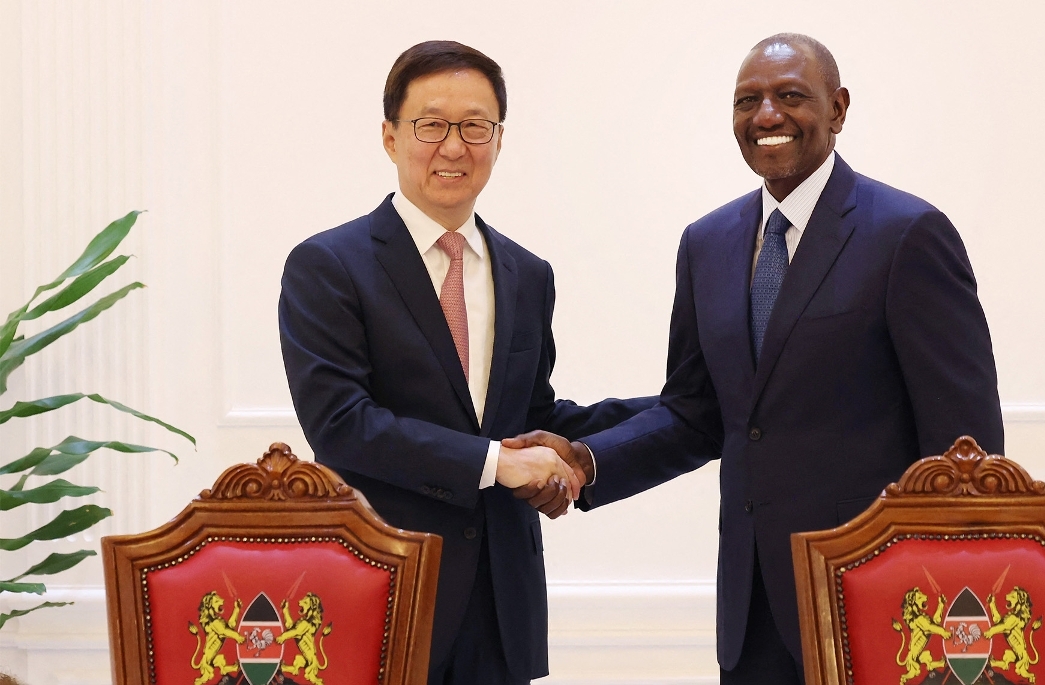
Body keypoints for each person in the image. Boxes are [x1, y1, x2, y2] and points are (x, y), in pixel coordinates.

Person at [508, 33, 1004, 683]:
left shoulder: (907, 234)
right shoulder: (706, 243)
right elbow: (698, 413)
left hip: (884, 606)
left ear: (839, 108)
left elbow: (965, 451)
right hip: (752, 610)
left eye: (790, 96)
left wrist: (954, 621)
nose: (766, 114)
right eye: (748, 101)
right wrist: (587, 460)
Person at [278, 40, 652, 685]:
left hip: (501, 600)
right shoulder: (328, 267)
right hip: (384, 582)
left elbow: (531, 415)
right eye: (431, 124)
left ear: (499, 139)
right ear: (392, 137)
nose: (454, 146)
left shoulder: (527, 274)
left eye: (476, 125)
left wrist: (673, 412)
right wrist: (499, 464)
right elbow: (341, 423)